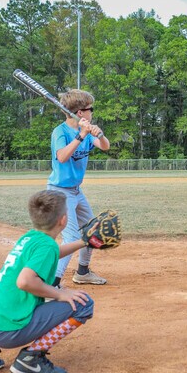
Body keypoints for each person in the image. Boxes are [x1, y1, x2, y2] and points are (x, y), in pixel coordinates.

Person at [0, 190, 94, 373]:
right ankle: (31, 358)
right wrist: (60, 294)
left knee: (12, 297)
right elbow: (25, 281)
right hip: (7, 332)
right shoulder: (46, 246)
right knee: (84, 304)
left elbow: (50, 253)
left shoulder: (30, 238)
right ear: (64, 220)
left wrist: (84, 242)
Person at [48, 89, 110, 286]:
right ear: (80, 113)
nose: (93, 112)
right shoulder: (60, 132)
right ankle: (54, 283)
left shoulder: (86, 130)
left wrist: (99, 135)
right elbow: (62, 157)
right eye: (90, 109)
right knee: (72, 237)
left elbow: (105, 146)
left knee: (92, 229)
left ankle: (82, 272)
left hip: (76, 190)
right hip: (59, 191)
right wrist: (81, 135)